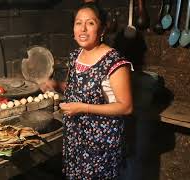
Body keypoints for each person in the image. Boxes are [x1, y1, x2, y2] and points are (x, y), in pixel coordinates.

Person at [40, 2, 133, 179]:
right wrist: (57, 85)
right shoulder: (76, 56)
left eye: (90, 23)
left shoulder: (115, 62)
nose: (83, 29)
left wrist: (83, 108)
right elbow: (76, 88)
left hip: (101, 143)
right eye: (78, 23)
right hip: (75, 136)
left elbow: (126, 107)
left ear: (102, 29)